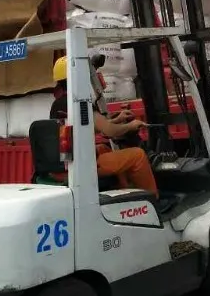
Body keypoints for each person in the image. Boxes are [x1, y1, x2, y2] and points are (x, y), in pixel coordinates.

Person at [50, 57, 159, 196]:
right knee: (138, 155)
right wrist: (131, 126)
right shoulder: (79, 102)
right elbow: (110, 131)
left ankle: (123, 192)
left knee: (104, 148)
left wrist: (118, 119)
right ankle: (153, 199)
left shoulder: (58, 104)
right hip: (81, 166)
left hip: (62, 165)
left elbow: (90, 126)